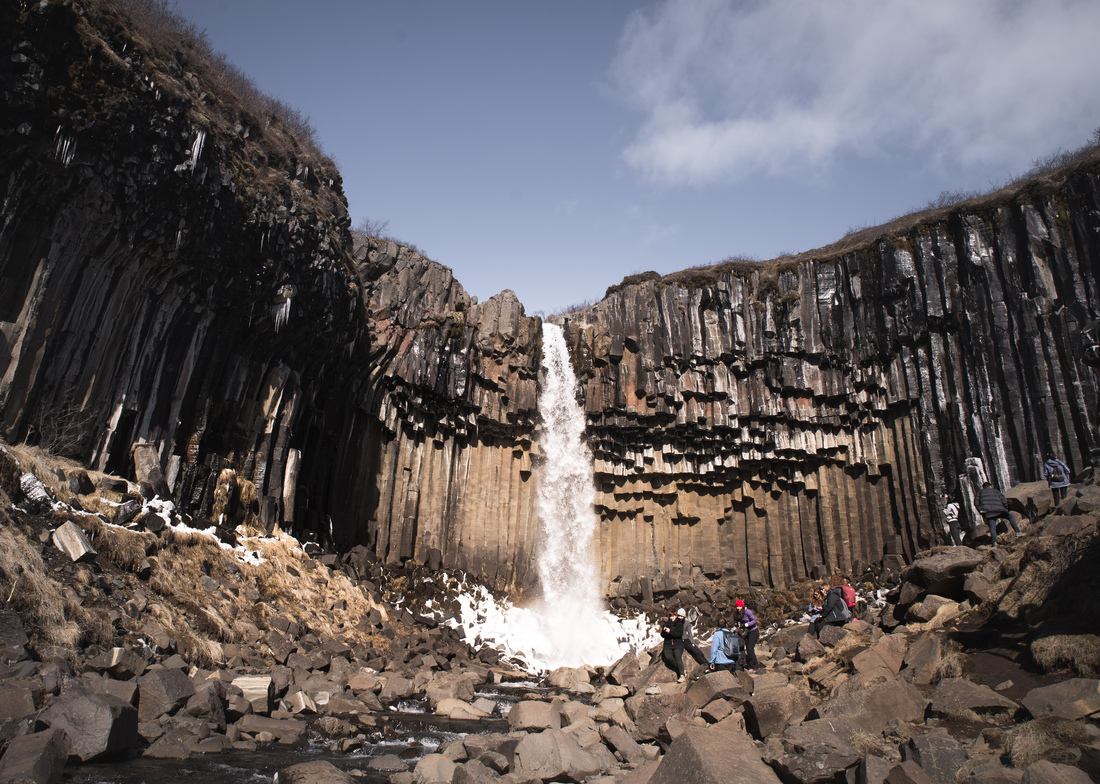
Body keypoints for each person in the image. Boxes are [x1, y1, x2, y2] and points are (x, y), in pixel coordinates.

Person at [976, 481, 1022, 546]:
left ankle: (994, 542)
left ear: (983, 487)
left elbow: (976, 503)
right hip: (1000, 510)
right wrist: (1006, 508)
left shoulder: (979, 493)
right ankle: (1018, 532)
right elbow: (1004, 500)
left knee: (992, 527)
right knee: (1010, 515)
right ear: (990, 486)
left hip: (989, 512)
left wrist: (981, 511)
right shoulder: (996, 491)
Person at [660, 608, 688, 683]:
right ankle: (681, 670)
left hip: (678, 644)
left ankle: (682, 675)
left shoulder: (680, 623)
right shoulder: (667, 623)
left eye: (673, 616)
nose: (671, 617)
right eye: (670, 616)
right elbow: (662, 635)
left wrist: (670, 631)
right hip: (668, 644)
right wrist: (664, 630)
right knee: (668, 657)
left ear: (676, 616)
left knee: (677, 656)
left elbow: (678, 634)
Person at [733, 599, 759, 669]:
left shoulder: (748, 612)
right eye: (737, 606)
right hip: (747, 632)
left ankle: (755, 666)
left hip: (753, 631)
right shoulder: (738, 612)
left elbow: (754, 620)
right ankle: (751, 665)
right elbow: (738, 620)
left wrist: (747, 624)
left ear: (742, 606)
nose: (737, 608)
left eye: (738, 606)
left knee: (750, 649)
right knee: (747, 649)